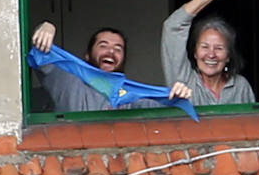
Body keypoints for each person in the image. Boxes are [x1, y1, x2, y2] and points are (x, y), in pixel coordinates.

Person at [29, 23, 192, 112]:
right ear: (87, 55)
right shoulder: (68, 83)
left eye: (118, 49)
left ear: (123, 59)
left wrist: (177, 95)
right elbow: (39, 49)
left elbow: (164, 107)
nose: (111, 52)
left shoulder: (130, 94)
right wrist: (45, 27)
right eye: (103, 46)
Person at [161, 0, 257, 105]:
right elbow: (173, 26)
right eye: (205, 47)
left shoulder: (240, 86)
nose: (211, 55)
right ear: (195, 52)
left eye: (219, 48)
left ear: (229, 56)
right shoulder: (184, 81)